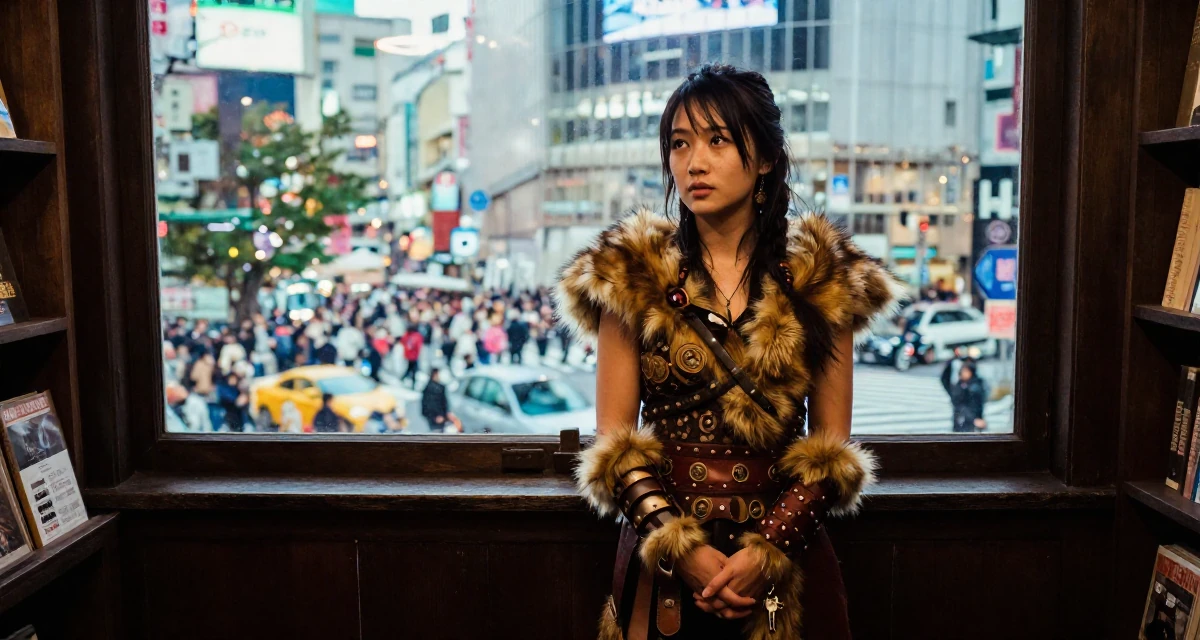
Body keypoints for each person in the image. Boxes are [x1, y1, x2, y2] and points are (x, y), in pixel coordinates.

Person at [559, 65, 902, 639]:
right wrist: (683, 550)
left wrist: (768, 550)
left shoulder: (822, 277)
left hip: (785, 558)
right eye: (679, 143)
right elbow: (614, 444)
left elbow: (831, 451)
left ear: (765, 157)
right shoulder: (632, 271)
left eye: (717, 140)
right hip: (663, 568)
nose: (694, 162)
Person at [943, 359, 988, 433]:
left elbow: (977, 406)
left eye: (966, 371)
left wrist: (977, 419)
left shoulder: (977, 386)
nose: (964, 373)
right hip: (962, 422)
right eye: (963, 371)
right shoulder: (958, 387)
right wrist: (951, 361)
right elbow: (959, 405)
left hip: (974, 424)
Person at [421, 369, 453, 433]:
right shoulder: (430, 388)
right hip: (436, 417)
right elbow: (430, 404)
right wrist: (436, 416)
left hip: (440, 416)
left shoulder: (440, 387)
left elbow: (444, 402)